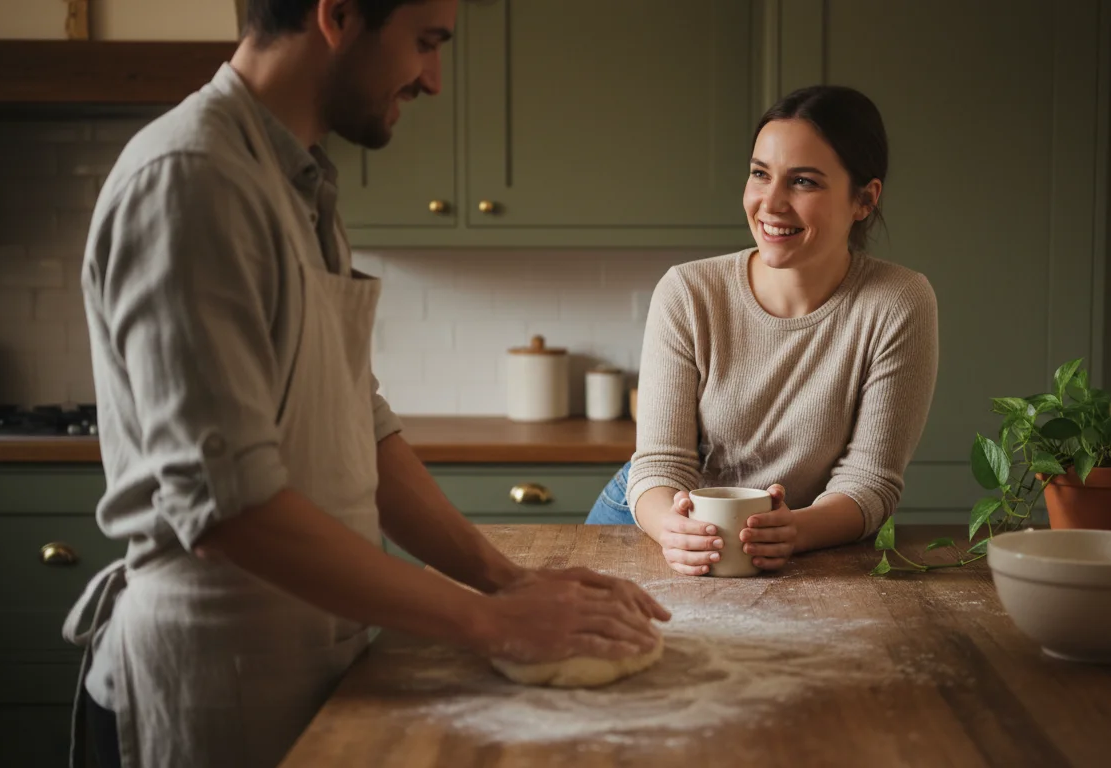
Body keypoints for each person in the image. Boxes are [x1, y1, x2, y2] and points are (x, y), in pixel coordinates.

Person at [64, 2, 668, 767]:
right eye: (425, 43)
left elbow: (360, 422)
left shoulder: (297, 181)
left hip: (307, 667)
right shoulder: (193, 180)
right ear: (338, 15)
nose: (436, 81)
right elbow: (228, 509)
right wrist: (491, 624)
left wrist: (507, 582)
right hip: (214, 683)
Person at [586, 85, 939, 577]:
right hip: (654, 525)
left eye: (804, 182)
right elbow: (660, 463)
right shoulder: (689, 291)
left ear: (864, 199)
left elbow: (870, 480)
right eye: (759, 174)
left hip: (799, 541)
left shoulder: (897, 301)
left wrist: (797, 531)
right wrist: (673, 528)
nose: (770, 203)